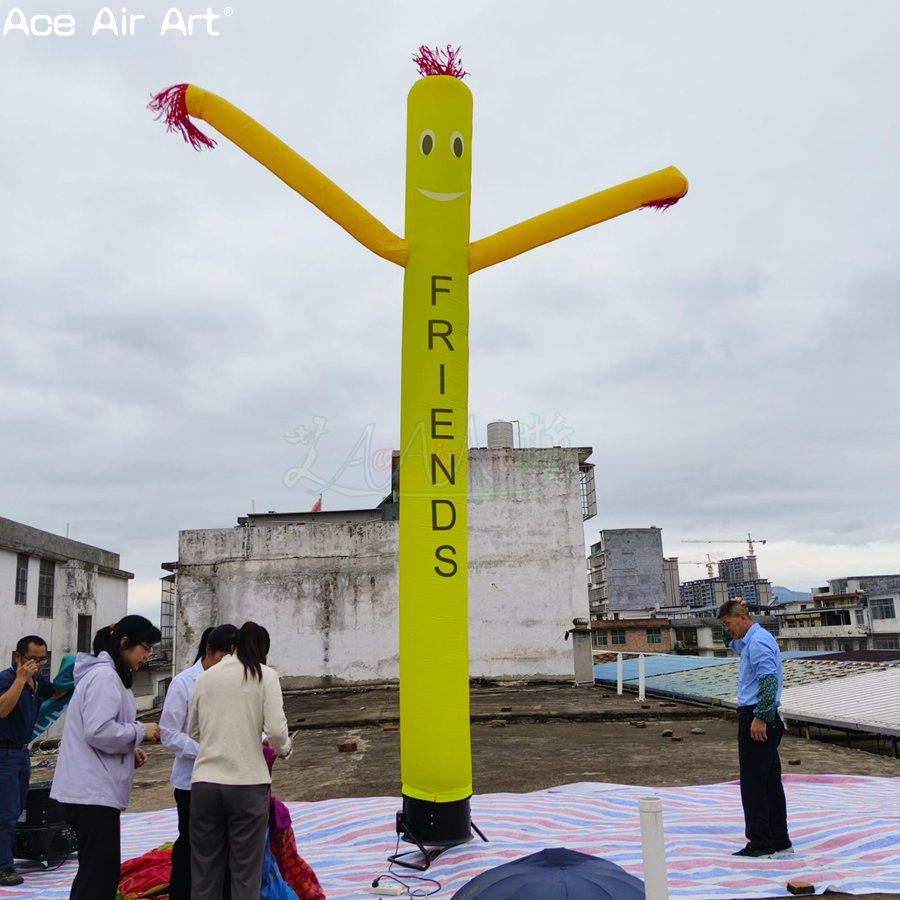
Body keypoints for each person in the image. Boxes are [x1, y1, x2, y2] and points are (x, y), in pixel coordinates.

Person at [50, 616, 162, 900]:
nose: (147, 655)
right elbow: (98, 731)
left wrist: (127, 748)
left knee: (97, 872)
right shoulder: (104, 677)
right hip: (91, 793)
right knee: (98, 875)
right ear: (124, 642)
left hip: (91, 790)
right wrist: (140, 731)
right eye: (145, 648)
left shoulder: (107, 675)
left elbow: (102, 730)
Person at [188, 621, 292, 900]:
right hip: (247, 785)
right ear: (263, 649)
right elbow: (277, 731)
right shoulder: (266, 676)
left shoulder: (206, 677)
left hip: (205, 784)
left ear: (233, 646)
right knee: (245, 874)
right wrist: (284, 749)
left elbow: (193, 731)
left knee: (204, 873)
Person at [159, 624, 237, 900]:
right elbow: (169, 734)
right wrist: (207, 750)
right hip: (192, 782)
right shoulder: (184, 683)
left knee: (227, 847)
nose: (228, 664)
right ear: (208, 650)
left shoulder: (236, 682)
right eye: (223, 656)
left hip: (229, 779)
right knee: (192, 846)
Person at [718, 597, 791, 857]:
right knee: (768, 781)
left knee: (753, 783)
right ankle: (779, 840)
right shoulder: (750, 639)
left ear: (742, 618)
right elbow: (729, 643)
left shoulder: (758, 642)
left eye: (728, 624)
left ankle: (760, 842)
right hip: (761, 715)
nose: (727, 629)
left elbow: (768, 680)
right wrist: (730, 608)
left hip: (757, 715)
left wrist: (761, 716)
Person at [0, 636, 61, 886]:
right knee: (6, 812)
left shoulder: (37, 682)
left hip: (22, 753)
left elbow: (56, 692)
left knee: (16, 809)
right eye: (32, 659)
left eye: (41, 660)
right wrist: (20, 679)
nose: (36, 664)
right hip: (4, 753)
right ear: (18, 657)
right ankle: (4, 867)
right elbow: (2, 710)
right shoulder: (6, 680)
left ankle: (6, 856)